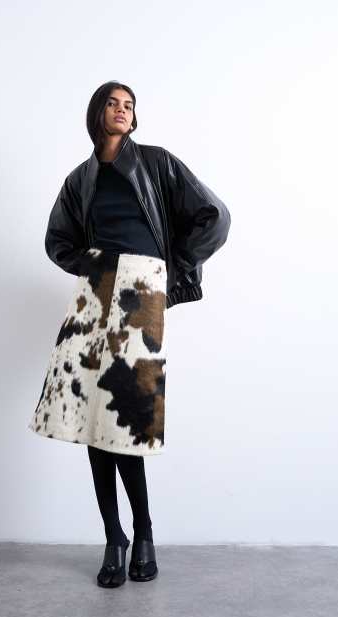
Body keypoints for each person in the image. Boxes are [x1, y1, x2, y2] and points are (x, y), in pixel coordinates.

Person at [28, 81, 231, 588]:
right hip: (94, 294)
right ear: (97, 112)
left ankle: (143, 531)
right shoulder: (81, 179)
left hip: (141, 292)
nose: (122, 111)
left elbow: (215, 217)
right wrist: (90, 263)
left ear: (134, 117)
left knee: (126, 422)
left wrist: (169, 268)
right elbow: (57, 239)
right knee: (92, 422)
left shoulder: (157, 163)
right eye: (113, 104)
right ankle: (114, 537)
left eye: (129, 105)